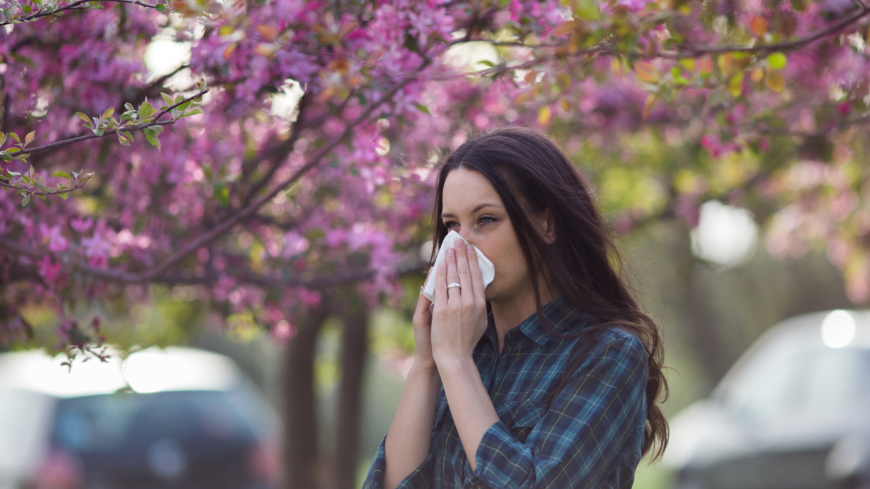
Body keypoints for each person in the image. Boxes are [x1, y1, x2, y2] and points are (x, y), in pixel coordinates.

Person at [362, 126, 669, 489]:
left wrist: (457, 366)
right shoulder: (458, 351)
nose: (461, 246)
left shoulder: (608, 353)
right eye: (451, 227)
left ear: (547, 223)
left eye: (486, 220)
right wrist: (427, 364)